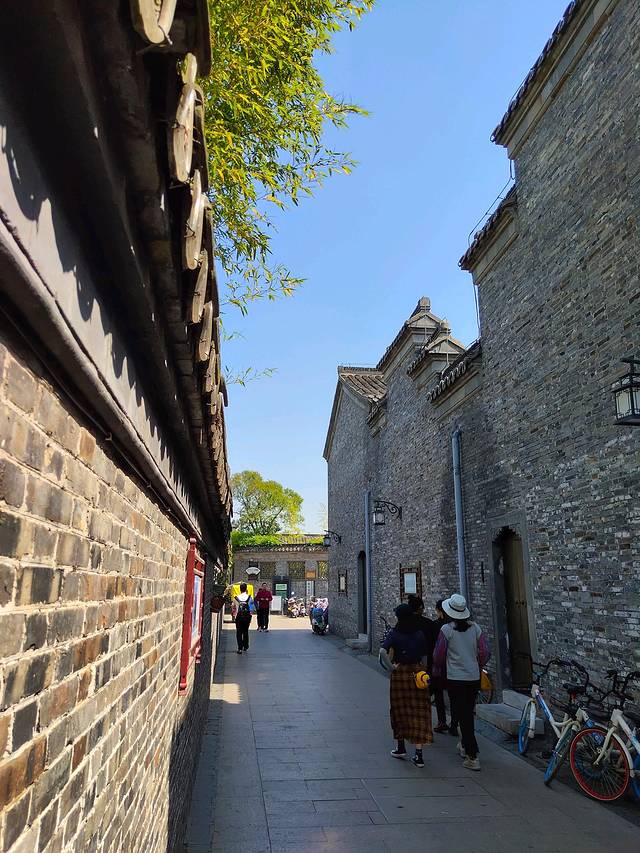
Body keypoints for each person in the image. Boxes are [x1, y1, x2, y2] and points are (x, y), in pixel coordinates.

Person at [433, 594, 490, 771]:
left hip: (455, 678)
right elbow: (484, 652)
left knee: (462, 714)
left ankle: (472, 755)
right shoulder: (475, 628)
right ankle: (465, 745)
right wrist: (477, 665)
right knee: (467, 712)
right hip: (473, 677)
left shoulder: (446, 630)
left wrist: (439, 670)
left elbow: (439, 655)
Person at [380, 603, 433, 768]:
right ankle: (419, 755)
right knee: (419, 712)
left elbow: (382, 651)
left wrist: (391, 667)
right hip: (417, 673)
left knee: (399, 709)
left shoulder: (395, 633)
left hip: (400, 674)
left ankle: (401, 747)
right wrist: (423, 670)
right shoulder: (419, 633)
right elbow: (425, 656)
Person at [407, 595, 448, 733]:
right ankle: (442, 721)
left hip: (413, 663)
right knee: (437, 692)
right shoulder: (430, 624)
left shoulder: (405, 624)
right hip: (431, 663)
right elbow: (438, 644)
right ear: (420, 608)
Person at [234, 583, 254, 654]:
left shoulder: (236, 598)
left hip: (239, 616)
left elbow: (234, 608)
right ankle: (245, 646)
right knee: (245, 631)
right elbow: (252, 608)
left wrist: (234, 616)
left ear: (240, 589)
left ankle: (239, 648)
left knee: (239, 632)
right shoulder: (249, 597)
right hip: (247, 616)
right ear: (246, 589)